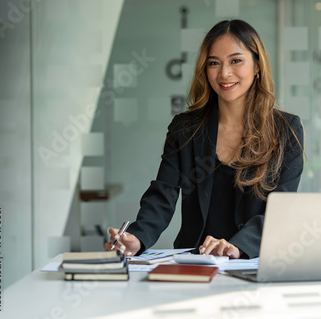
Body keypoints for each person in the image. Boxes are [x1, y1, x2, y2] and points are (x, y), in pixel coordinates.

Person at [104, 19, 304, 259]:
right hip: (196, 263)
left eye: (236, 60)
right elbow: (163, 193)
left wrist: (237, 246)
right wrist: (137, 238)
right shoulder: (185, 128)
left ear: (257, 66)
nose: (224, 73)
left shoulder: (286, 130)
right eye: (214, 63)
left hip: (255, 261)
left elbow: (281, 209)